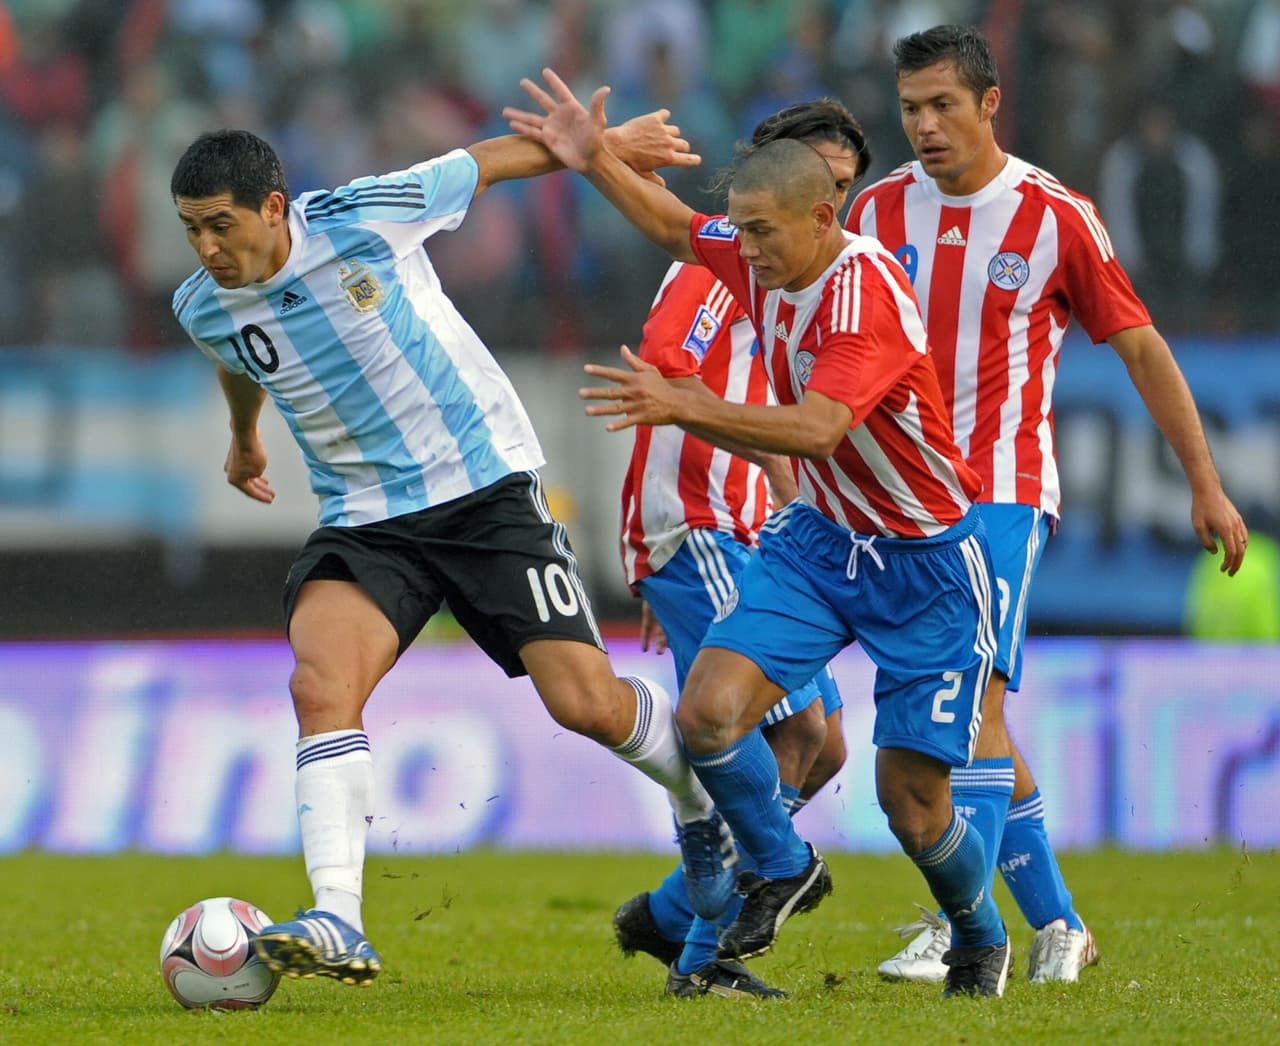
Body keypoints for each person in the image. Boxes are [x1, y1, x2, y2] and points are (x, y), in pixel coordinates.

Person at [167, 117, 740, 987]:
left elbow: (493, 161)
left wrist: (604, 144)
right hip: (365, 522)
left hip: (481, 491)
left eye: (220, 225)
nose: (206, 248)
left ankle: (701, 806)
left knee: (584, 703)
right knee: (319, 683)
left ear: (274, 208)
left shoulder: (364, 216)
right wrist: (245, 437)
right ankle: (337, 917)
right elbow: (237, 352)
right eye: (191, 230)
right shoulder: (201, 302)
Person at [508, 69, 1014, 998]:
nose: (743, 250)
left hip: (926, 563)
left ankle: (980, 932)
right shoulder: (757, 256)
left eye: (760, 232)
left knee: (910, 802)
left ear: (824, 219)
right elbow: (671, 226)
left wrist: (687, 408)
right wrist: (589, 159)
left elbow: (819, 427)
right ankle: (780, 865)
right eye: (737, 231)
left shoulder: (864, 299)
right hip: (818, 542)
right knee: (706, 713)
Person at [845, 24, 1248, 985]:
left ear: (990, 104)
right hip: (899, 501)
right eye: (910, 109)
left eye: (944, 105)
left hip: (1001, 493)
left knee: (969, 704)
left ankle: (958, 924)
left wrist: (1204, 479)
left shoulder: (1053, 217)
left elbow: (1142, 347)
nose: (926, 126)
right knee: (977, 724)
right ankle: (1061, 925)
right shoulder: (875, 211)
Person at [611, 100, 870, 1000]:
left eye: (844, 189)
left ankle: (681, 908)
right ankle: (708, 944)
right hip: (704, 515)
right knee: (793, 729)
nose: (834, 204)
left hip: (736, 522)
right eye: (823, 184)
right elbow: (664, 370)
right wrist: (776, 464)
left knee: (826, 747)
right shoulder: (729, 258)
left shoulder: (819, 275)